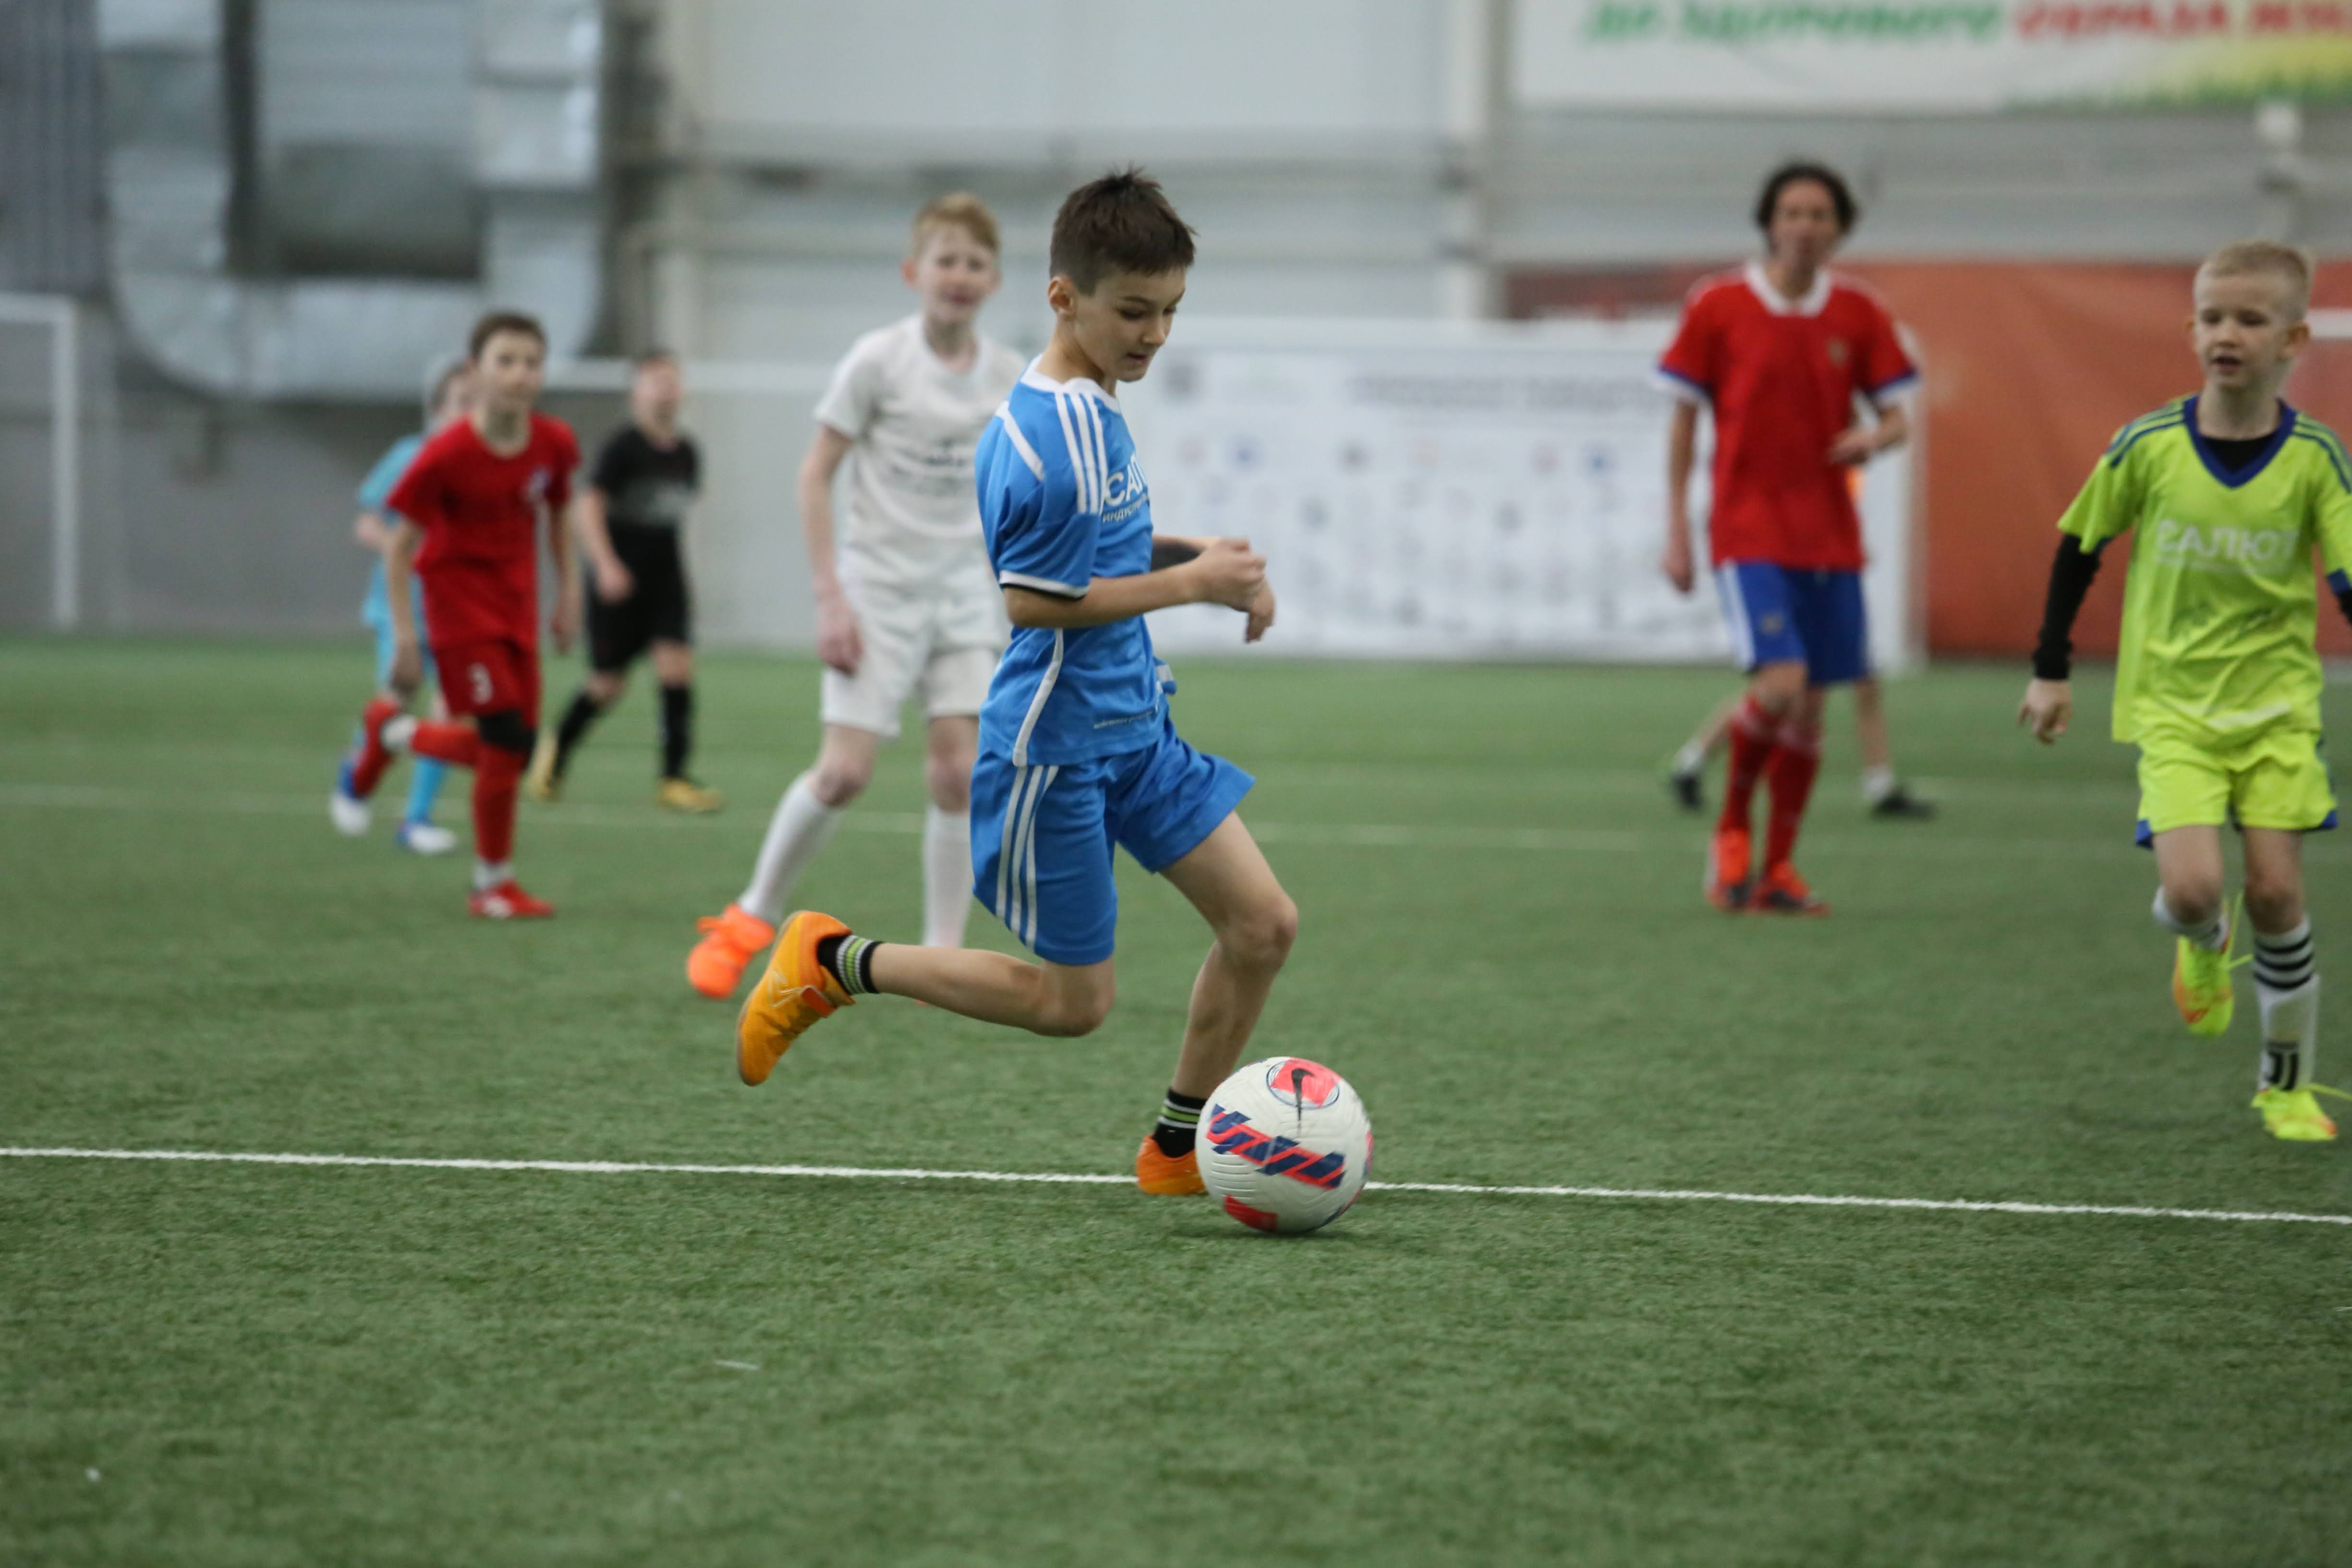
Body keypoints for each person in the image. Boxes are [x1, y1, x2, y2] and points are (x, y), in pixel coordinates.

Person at [729, 169, 1285, 1200]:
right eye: (1135, 311)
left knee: (1263, 926)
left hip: (1138, 731)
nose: (1156, 334)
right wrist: (1191, 583)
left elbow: (1097, 546)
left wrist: (1198, 554)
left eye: (1170, 311)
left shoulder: (1093, 400)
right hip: (1056, 747)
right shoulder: (1048, 437)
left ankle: (1176, 1147)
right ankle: (834, 961)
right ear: (1063, 297)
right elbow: (1032, 601)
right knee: (1074, 1006)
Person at [2021, 240, 2352, 1143]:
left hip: (2278, 711)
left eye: (2249, 320)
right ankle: (2200, 942)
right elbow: (2078, 548)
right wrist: (2050, 669)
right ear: (2190, 329)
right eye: (2211, 318)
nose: (2226, 335)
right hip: (2173, 709)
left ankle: (2285, 1086)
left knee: (2275, 894)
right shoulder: (2149, 446)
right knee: (2198, 889)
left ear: (2292, 339)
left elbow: (2347, 579)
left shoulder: (2316, 459)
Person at [684, 194, 1027, 996]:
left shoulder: (1010, 376)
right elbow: (814, 475)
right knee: (843, 773)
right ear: (914, 272)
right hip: (878, 591)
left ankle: (942, 954)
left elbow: (1018, 490)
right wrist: (830, 599)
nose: (959, 275)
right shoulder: (877, 360)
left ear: (993, 280)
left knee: (958, 774)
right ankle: (749, 916)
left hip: (963, 596)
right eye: (945, 260)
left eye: (975, 264)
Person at [1658, 161, 1919, 914]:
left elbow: (1897, 416)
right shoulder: (1718, 304)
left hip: (1828, 536)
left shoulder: (1859, 312)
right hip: (1747, 530)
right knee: (1780, 684)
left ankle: (1777, 868)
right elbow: (1682, 420)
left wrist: (1875, 437)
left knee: (1810, 708)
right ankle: (1730, 837)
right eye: (1791, 212)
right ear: (1769, 224)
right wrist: (1676, 526)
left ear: (1839, 229)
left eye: (1818, 214)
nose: (1804, 226)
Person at [339, 310, 582, 918]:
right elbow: (399, 547)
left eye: (532, 362)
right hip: (458, 612)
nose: (521, 374)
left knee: (516, 751)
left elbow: (559, 516)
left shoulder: (554, 443)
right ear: (476, 371)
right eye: (506, 361)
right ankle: (491, 885)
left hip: (516, 610)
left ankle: (392, 733)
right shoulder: (443, 455)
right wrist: (405, 637)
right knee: (504, 739)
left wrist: (569, 594)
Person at [527, 350, 722, 812]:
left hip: (666, 580)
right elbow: (587, 506)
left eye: (672, 380)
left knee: (676, 669)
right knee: (606, 684)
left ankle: (674, 778)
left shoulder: (688, 452)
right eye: (655, 381)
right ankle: (556, 749)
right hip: (618, 582)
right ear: (637, 391)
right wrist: (606, 563)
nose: (666, 390)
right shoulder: (623, 448)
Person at [330, 361, 470, 853]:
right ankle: (355, 771)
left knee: (450, 709)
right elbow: (367, 523)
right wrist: (404, 547)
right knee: (397, 700)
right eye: (463, 402)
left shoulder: (482, 467)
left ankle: (416, 820)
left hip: (456, 611)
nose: (472, 412)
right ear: (438, 410)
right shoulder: (411, 455)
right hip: (402, 607)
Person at [1666, 681, 1934, 818]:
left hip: (1836, 597)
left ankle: (1880, 784)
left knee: (1867, 685)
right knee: (1776, 693)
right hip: (1809, 601)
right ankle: (1692, 763)